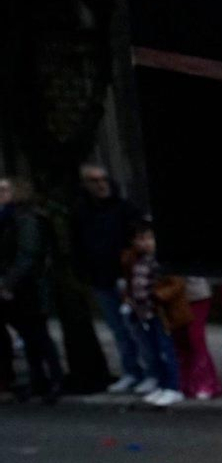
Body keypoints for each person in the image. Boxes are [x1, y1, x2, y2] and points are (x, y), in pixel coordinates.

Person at [70, 163, 145, 393]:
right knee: (118, 329)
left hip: (125, 276)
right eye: (94, 181)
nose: (101, 184)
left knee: (137, 327)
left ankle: (149, 372)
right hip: (100, 277)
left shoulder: (123, 208)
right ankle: (131, 371)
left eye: (103, 179)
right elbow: (78, 244)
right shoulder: (81, 212)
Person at [0, 178, 65, 402]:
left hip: (31, 286)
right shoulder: (11, 218)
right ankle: (39, 380)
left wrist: (8, 283)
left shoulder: (26, 218)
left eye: (4, 190)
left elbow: (28, 255)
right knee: (28, 335)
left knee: (39, 334)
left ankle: (54, 379)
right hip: (21, 286)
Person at [120, 221, 184, 407]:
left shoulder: (162, 259)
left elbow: (176, 284)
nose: (145, 243)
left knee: (167, 350)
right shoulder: (135, 259)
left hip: (161, 312)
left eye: (149, 238)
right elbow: (130, 281)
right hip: (143, 312)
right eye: (140, 239)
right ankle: (162, 384)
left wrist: (158, 296)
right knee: (153, 349)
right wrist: (129, 299)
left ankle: (173, 387)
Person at [173, 277, 221, 400]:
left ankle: (207, 383)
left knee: (196, 339)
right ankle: (186, 383)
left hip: (195, 295)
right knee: (181, 341)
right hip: (176, 297)